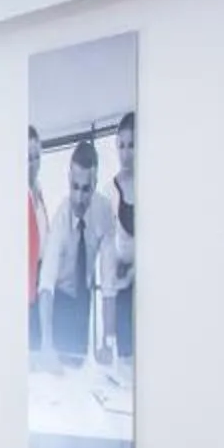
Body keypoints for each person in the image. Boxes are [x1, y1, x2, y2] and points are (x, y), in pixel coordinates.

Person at [35, 137, 118, 367]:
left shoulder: (103, 212)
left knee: (78, 367)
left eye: (86, 189)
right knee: (55, 367)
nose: (80, 198)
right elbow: (46, 286)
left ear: (95, 182)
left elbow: (109, 282)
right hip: (58, 299)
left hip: (83, 299)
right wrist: (46, 343)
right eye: (75, 187)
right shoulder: (61, 219)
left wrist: (107, 342)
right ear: (69, 179)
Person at [101, 112, 136, 364]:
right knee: (126, 360)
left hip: (152, 283)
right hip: (123, 285)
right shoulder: (108, 192)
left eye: (132, 145)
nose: (125, 153)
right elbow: (108, 256)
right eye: (121, 145)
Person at [26, 125, 46, 355]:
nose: (33, 163)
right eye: (27, 157)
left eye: (36, 156)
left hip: (40, 279)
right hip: (27, 283)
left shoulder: (38, 190)